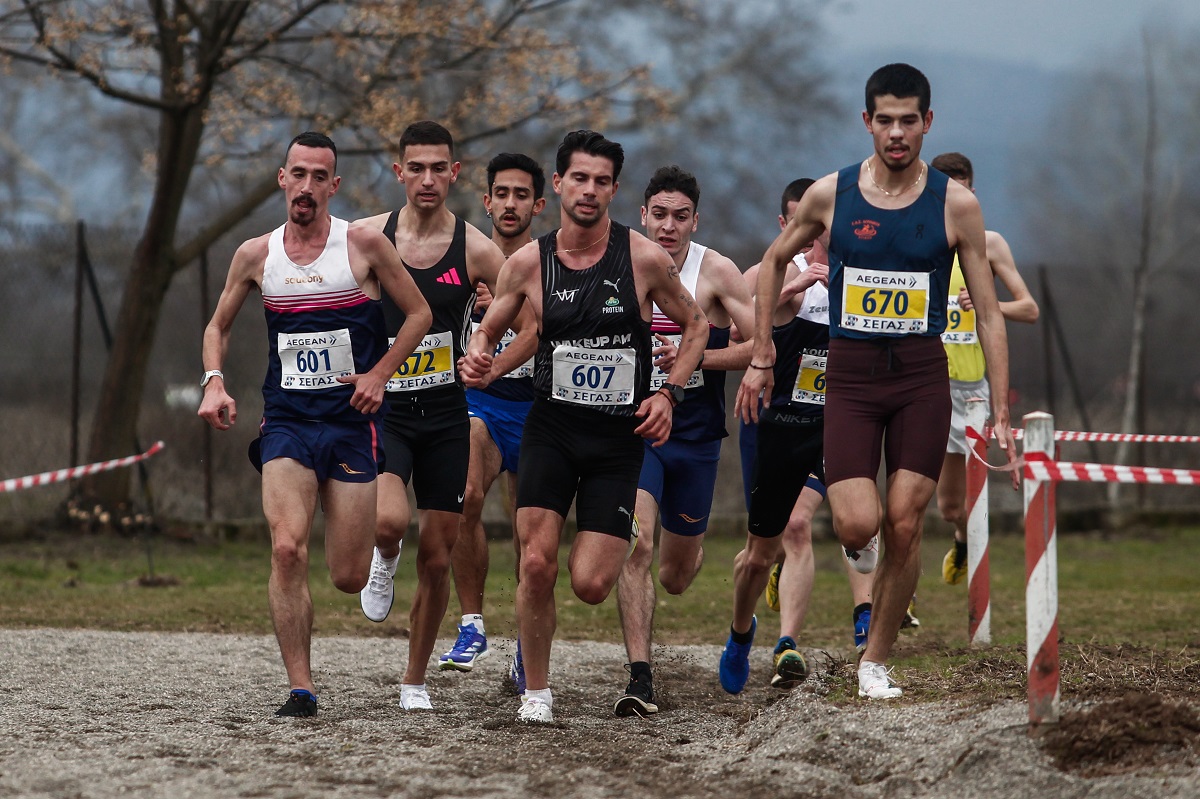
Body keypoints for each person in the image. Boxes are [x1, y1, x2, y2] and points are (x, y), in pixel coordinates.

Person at [744, 63, 1017, 700]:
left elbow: (991, 314)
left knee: (904, 522)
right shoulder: (830, 194)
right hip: (853, 383)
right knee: (856, 526)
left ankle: (875, 660)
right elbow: (774, 263)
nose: (897, 133)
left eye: (909, 121)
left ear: (928, 123)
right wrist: (762, 352)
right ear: (867, 122)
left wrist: (999, 406)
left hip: (923, 379)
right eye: (885, 120)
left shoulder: (956, 204)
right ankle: (866, 573)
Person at [459, 130, 709, 723]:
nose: (589, 191)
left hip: (616, 441)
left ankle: (584, 552)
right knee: (536, 561)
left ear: (614, 190)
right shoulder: (528, 262)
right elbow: (490, 330)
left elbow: (696, 327)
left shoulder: (644, 258)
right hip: (552, 429)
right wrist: (477, 355)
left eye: (601, 181)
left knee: (591, 582)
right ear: (560, 184)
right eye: (579, 178)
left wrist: (669, 394)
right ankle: (537, 692)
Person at [198, 132, 432, 717]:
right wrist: (214, 381)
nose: (306, 187)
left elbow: (420, 314)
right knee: (285, 547)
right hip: (288, 423)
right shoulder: (257, 254)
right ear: (282, 179)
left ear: (334, 185)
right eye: (296, 174)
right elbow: (216, 326)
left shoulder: (363, 245)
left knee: (348, 577)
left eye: (317, 176)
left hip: (352, 425)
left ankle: (380, 555)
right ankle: (301, 687)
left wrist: (379, 374)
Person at [353, 121, 512, 711]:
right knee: (391, 522)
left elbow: (532, 311)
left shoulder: (474, 247)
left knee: (439, 556)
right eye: (414, 167)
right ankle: (382, 561)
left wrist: (491, 350)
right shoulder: (369, 237)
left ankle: (414, 679)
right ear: (398, 172)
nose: (426, 179)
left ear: (454, 172)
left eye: (437, 168)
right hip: (387, 412)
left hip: (447, 416)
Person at [614, 165, 756, 717]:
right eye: (659, 214)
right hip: (637, 432)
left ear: (695, 220)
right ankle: (640, 677)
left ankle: (690, 555)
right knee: (637, 544)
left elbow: (756, 348)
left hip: (694, 439)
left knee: (674, 575)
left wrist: (696, 358)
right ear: (643, 214)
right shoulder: (620, 263)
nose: (668, 226)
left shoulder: (716, 272)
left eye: (680, 216)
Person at [735, 181, 879, 681]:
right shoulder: (772, 273)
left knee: (801, 526)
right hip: (773, 424)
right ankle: (740, 628)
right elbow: (736, 337)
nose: (814, 235)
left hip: (831, 423)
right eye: (805, 226)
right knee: (761, 548)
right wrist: (790, 292)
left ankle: (790, 643)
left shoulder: (857, 277)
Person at [441, 153, 545, 680]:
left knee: (533, 538)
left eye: (521, 195)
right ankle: (472, 623)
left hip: (539, 409)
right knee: (465, 496)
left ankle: (528, 650)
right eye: (501, 193)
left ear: (538, 204)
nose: (509, 203)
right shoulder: (464, 258)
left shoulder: (548, 261)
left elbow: (540, 330)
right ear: (486, 201)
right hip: (481, 404)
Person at [928, 152, 1039, 585]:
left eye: (963, 188)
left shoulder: (989, 243)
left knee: (951, 507)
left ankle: (961, 539)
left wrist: (991, 304)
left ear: (972, 192)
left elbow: (1029, 308)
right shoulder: (920, 241)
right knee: (912, 495)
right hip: (926, 381)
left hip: (969, 391)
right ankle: (902, 590)